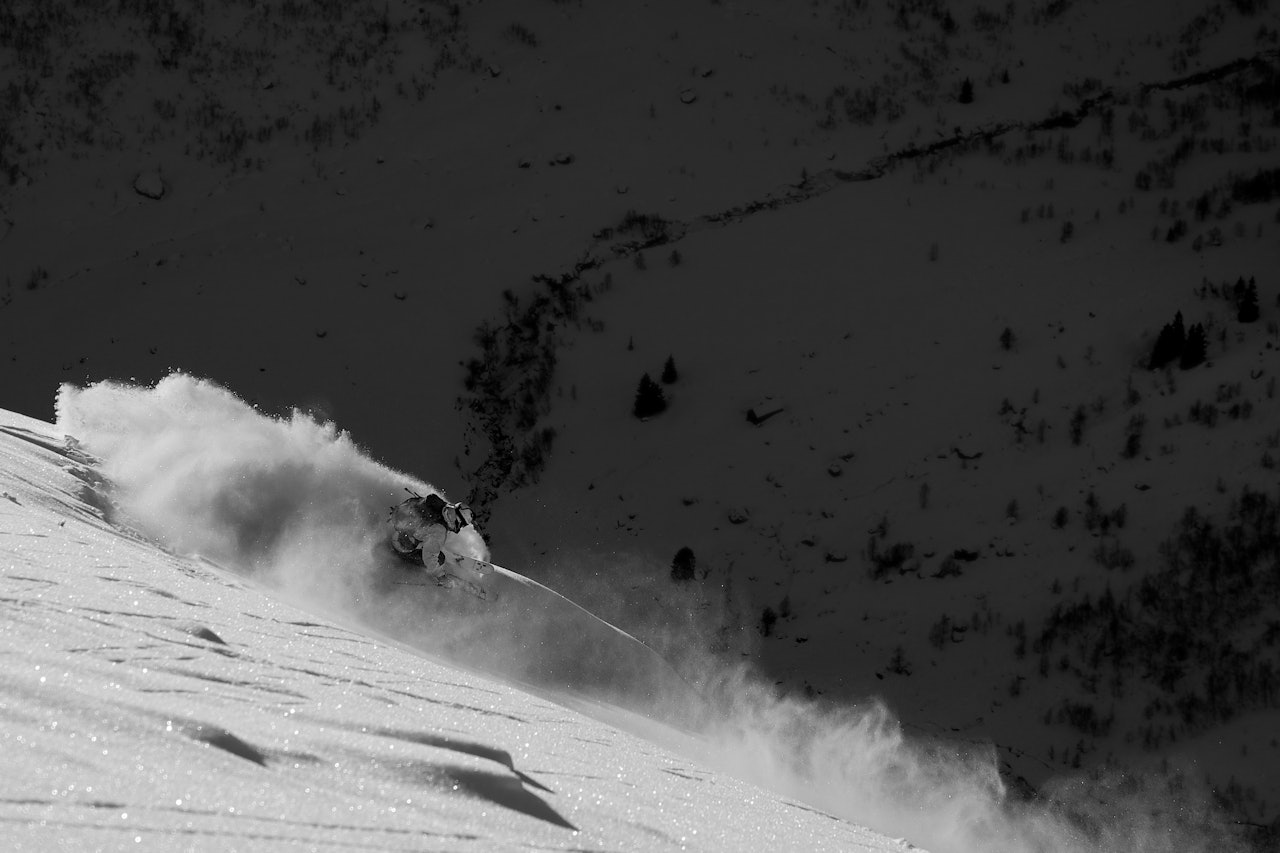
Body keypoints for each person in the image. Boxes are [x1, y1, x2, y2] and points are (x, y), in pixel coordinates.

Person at [388, 491, 475, 569]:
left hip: (396, 527)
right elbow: (429, 556)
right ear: (458, 519)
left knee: (429, 541)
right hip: (401, 546)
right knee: (440, 559)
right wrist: (439, 575)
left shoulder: (437, 505)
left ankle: (428, 547)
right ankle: (407, 568)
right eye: (462, 524)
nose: (460, 527)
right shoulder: (439, 529)